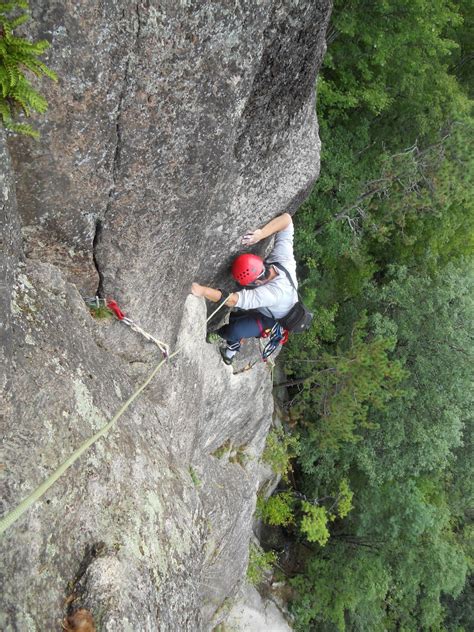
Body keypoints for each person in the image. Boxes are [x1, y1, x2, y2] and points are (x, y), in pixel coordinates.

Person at [191, 213, 298, 364]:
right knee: (240, 311)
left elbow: (232, 300)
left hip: (273, 318)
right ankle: (236, 332)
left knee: (235, 330)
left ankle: (231, 348)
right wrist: (260, 234)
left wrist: (202, 291)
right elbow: (287, 220)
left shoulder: (270, 294)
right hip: (276, 303)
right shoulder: (282, 259)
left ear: (258, 283)